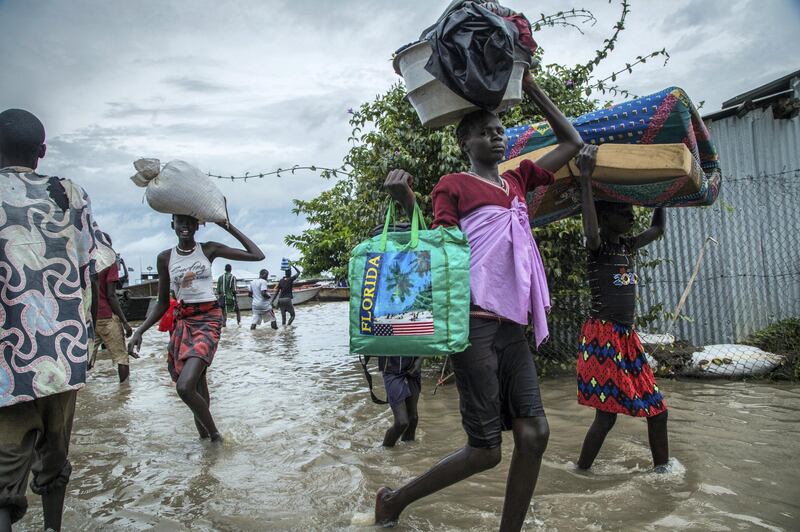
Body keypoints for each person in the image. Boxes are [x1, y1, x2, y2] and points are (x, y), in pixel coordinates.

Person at [378, 62, 583, 529]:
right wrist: (409, 205)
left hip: (513, 323)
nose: (497, 137)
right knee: (487, 449)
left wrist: (532, 89)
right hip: (473, 322)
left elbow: (571, 144)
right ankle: (393, 500)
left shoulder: (517, 180)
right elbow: (438, 247)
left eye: (500, 130)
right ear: (463, 142)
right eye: (486, 132)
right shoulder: (454, 185)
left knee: (535, 434)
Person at [0, 108, 114, 530]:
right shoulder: (69, 193)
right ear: (42, 152)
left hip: (7, 364)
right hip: (64, 358)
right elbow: (96, 262)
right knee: (54, 463)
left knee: (3, 482)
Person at [574, 144, 670, 472]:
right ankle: (581, 471)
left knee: (658, 411)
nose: (631, 216)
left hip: (627, 338)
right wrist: (585, 178)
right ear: (604, 217)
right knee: (606, 416)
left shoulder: (628, 245)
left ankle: (663, 472)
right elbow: (589, 228)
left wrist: (664, 194)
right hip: (603, 337)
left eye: (631, 212)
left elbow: (657, 229)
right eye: (623, 212)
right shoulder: (596, 247)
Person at [127, 215, 264, 442]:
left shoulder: (208, 249)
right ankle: (206, 449)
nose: (185, 227)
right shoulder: (165, 258)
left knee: (185, 386)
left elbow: (257, 255)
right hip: (184, 322)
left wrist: (227, 226)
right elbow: (162, 302)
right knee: (198, 386)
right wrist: (140, 331)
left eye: (190, 222)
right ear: (173, 225)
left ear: (198, 225)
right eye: (180, 222)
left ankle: (216, 437)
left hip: (209, 319)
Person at [90, 232, 136, 383]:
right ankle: (124, 393)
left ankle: (81, 393)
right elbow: (111, 295)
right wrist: (125, 322)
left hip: (89, 318)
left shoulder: (87, 261)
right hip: (107, 317)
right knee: (121, 358)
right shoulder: (110, 262)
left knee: (86, 358)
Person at [380, 357, 423, 447]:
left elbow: (426, 343)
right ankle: (385, 452)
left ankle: (408, 454)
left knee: (413, 419)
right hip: (391, 370)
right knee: (401, 422)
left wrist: (419, 360)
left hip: (413, 367)